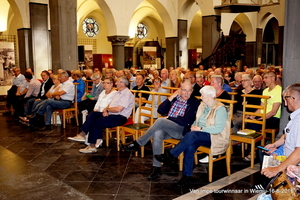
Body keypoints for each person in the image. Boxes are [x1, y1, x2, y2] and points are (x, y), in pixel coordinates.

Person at [121, 80, 200, 180]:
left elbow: (185, 120)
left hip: (181, 130)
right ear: (180, 89)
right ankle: (156, 168)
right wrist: (172, 96)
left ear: (192, 90)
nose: (186, 93)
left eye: (189, 91)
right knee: (158, 133)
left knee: (160, 121)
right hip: (169, 128)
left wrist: (168, 119)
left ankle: (138, 143)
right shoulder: (176, 98)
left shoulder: (194, 102)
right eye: (184, 90)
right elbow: (161, 110)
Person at [155, 86, 230, 186]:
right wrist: (194, 125)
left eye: (202, 95)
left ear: (209, 96)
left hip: (215, 136)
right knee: (189, 145)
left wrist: (201, 129)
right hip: (200, 134)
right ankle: (187, 176)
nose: (201, 97)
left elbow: (218, 129)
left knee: (191, 136)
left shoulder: (220, 109)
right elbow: (197, 120)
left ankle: (172, 154)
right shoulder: (203, 105)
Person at [68, 76, 134, 153]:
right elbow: (111, 104)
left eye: (118, 82)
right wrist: (106, 110)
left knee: (96, 122)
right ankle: (82, 134)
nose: (116, 83)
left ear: (123, 84)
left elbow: (119, 109)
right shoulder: (118, 92)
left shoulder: (127, 94)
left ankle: (92, 146)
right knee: (93, 114)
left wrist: (108, 110)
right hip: (112, 114)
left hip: (120, 117)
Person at [260, 83, 300, 178]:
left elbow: (298, 153)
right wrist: (275, 145)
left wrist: (277, 169)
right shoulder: (295, 117)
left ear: (293, 98)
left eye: (286, 99)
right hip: (286, 155)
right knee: (263, 151)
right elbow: (287, 134)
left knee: (267, 164)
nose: (285, 104)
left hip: (293, 165)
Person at [69, 77, 117, 148]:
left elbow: (112, 104)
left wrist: (105, 110)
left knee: (92, 117)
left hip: (107, 112)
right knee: (91, 115)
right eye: (104, 83)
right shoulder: (103, 92)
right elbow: (98, 102)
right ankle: (89, 137)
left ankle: (84, 135)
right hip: (99, 111)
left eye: (107, 83)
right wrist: (95, 109)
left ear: (111, 84)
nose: (105, 84)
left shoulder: (114, 93)